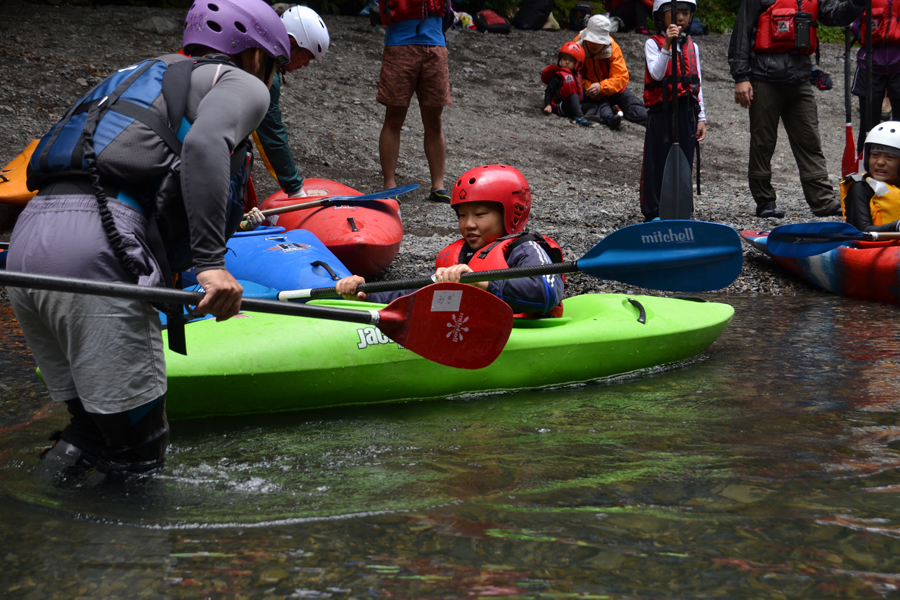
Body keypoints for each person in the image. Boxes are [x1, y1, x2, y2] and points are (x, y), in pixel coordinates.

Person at [6, 0, 289, 482]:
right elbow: (204, 145)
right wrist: (210, 264)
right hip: (96, 243)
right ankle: (129, 560)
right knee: (138, 455)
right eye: (276, 68)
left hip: (27, 244)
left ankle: (48, 541)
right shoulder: (240, 82)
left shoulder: (141, 73)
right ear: (257, 56)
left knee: (93, 432)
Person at [335, 165, 565, 317]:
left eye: (480, 214)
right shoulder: (461, 254)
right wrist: (366, 294)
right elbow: (419, 291)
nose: (468, 224)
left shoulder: (524, 248)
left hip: (525, 327)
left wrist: (483, 284)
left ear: (512, 212)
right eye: (462, 215)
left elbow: (545, 292)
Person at [728, 0, 864, 219]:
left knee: (810, 140)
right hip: (764, 78)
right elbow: (741, 34)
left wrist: (857, 4)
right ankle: (765, 201)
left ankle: (822, 201)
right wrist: (741, 77)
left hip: (800, 78)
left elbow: (835, 15)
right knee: (763, 142)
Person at [376, 0, 452, 203]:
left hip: (435, 46)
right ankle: (389, 185)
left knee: (434, 121)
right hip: (399, 46)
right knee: (394, 118)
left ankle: (438, 186)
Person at [252, 6, 330, 201]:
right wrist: (295, 189)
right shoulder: (263, 71)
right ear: (292, 43)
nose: (306, 64)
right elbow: (271, 135)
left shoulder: (253, 48)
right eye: (307, 56)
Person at [639, 0, 706, 222]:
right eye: (674, 13)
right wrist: (667, 44)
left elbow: (697, 84)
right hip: (662, 112)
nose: (680, 18)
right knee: (658, 161)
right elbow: (657, 74)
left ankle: (680, 208)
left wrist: (701, 117)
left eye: (685, 13)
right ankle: (654, 211)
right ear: (661, 16)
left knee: (684, 161)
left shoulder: (692, 47)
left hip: (686, 111)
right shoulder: (653, 43)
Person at [574, 15, 648, 130]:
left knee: (637, 110)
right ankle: (608, 116)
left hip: (612, 90)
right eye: (592, 40)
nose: (595, 44)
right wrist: (590, 88)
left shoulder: (613, 48)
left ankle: (663, 125)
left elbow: (621, 77)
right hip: (586, 91)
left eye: (599, 41)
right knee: (587, 104)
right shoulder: (576, 47)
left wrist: (601, 87)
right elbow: (570, 74)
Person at [850, 7, 900, 156]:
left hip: (898, 67)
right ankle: (864, 169)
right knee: (868, 125)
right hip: (870, 66)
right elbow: (854, 24)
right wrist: (851, 27)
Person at [841, 121, 900, 232]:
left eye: (890, 157)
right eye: (875, 155)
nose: (880, 162)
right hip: (875, 246)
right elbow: (862, 230)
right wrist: (896, 227)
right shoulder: (860, 187)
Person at [541, 42, 593, 127]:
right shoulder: (558, 76)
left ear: (577, 63)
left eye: (571, 60)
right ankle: (580, 117)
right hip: (560, 106)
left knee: (593, 105)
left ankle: (585, 116)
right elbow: (548, 91)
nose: (567, 62)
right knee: (574, 96)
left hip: (573, 107)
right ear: (560, 60)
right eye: (564, 59)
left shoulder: (577, 75)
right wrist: (548, 104)